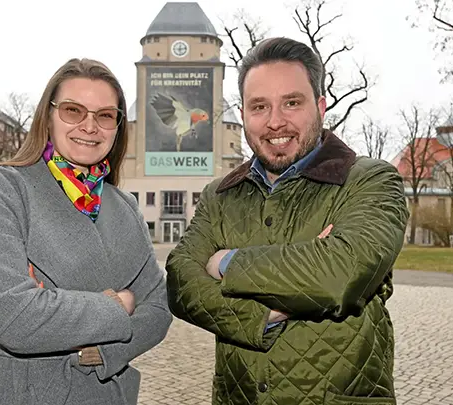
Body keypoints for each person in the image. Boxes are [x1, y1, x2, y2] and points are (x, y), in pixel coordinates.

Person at [165, 37, 409, 405]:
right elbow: (181, 284)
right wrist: (266, 313)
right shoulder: (221, 194)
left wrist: (225, 262)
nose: (275, 121)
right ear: (243, 115)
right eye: (259, 106)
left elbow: (339, 276)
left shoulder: (370, 180)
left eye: (292, 103)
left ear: (320, 107)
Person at [0, 58, 172, 405]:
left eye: (105, 115)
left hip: (107, 394)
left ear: (118, 126)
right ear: (48, 116)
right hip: (17, 393)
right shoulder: (0, 190)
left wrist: (98, 352)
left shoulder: (124, 205)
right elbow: (14, 318)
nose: (90, 126)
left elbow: (159, 309)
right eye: (73, 111)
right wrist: (120, 305)